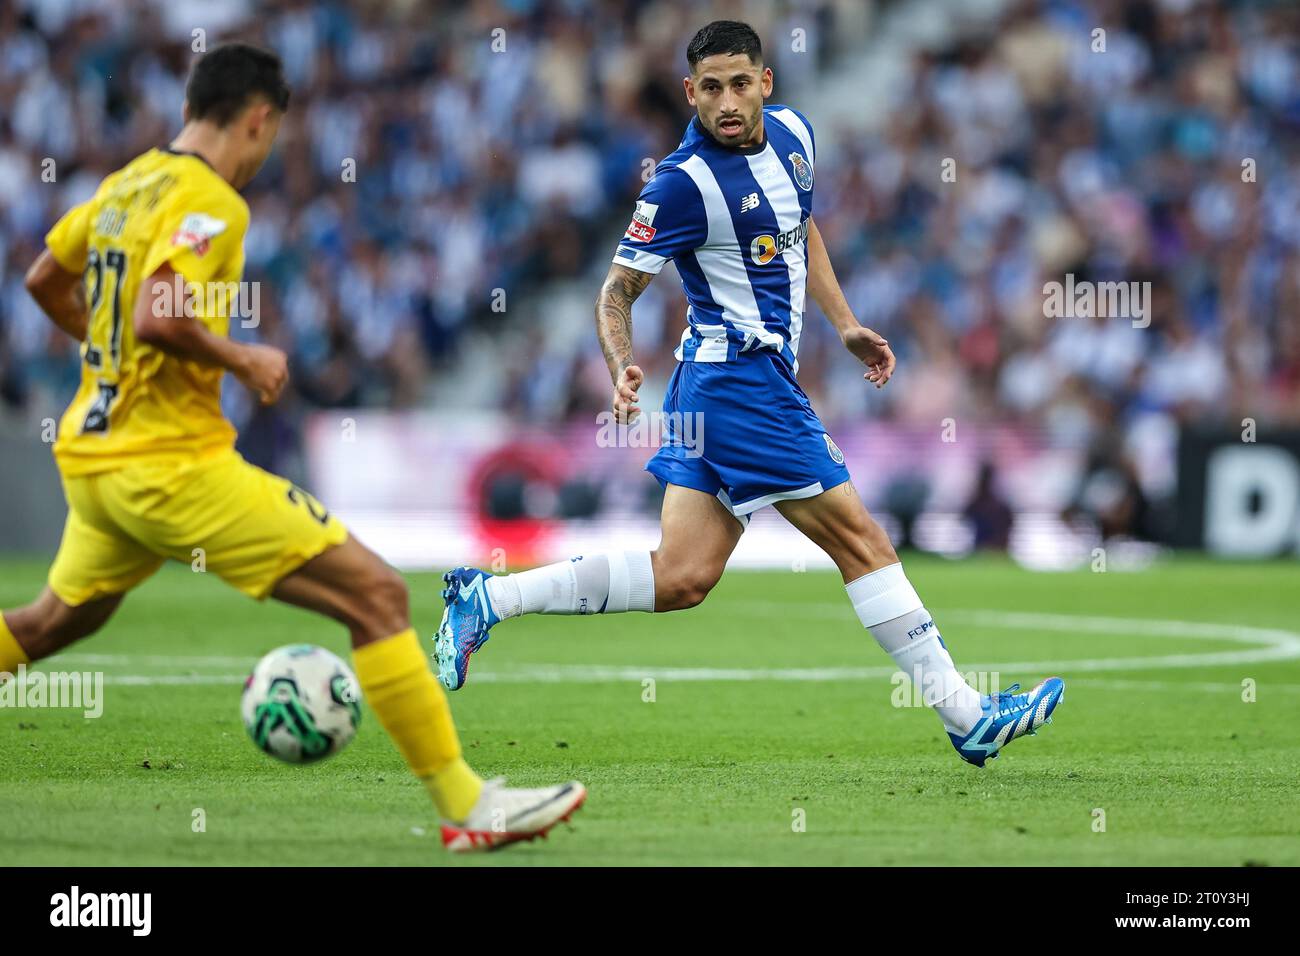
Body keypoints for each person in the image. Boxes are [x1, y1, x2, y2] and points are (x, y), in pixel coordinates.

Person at [0, 42, 583, 851]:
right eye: (268, 137)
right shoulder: (212, 202)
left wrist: (112, 364)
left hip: (95, 461)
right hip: (169, 469)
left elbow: (42, 281)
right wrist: (245, 356)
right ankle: (467, 807)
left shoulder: (124, 186)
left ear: (186, 110)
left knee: (52, 623)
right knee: (377, 596)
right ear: (259, 119)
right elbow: (159, 316)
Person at [436, 20, 1063, 767]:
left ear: (766, 82)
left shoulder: (796, 137)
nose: (727, 101)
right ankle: (966, 714)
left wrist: (847, 325)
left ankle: (490, 599)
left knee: (683, 576)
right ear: (689, 94)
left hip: (722, 385)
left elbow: (803, 230)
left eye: (740, 83)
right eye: (710, 88)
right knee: (862, 542)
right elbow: (615, 292)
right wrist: (619, 364)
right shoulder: (680, 184)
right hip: (739, 384)